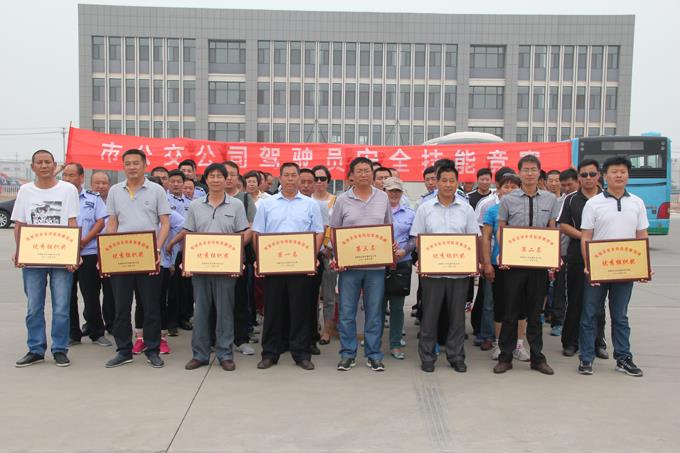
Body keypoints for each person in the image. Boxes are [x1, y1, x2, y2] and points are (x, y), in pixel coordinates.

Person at [578, 156, 649, 377]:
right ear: (605, 175)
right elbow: (586, 237)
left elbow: (641, 235)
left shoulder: (637, 202)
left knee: (620, 316)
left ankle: (623, 358)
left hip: (626, 269)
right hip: (598, 268)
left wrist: (645, 265)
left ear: (628, 175)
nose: (619, 175)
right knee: (590, 314)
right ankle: (586, 358)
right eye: (614, 171)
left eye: (623, 172)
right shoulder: (593, 203)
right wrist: (588, 265)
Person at [178, 163, 251, 371]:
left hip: (226, 268)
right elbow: (188, 233)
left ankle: (225, 354)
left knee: (225, 311)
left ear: (227, 179)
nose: (216, 179)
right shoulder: (195, 205)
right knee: (201, 311)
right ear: (206, 179)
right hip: (200, 267)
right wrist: (186, 261)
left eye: (220, 176)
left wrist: (236, 257)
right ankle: (200, 354)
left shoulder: (236, 205)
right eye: (212, 176)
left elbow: (243, 233)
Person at [252, 162, 324, 371]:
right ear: (280, 178)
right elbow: (257, 232)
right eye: (287, 175)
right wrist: (260, 258)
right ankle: (270, 353)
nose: (290, 179)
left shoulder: (310, 204)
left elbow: (318, 231)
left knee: (300, 310)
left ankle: (301, 353)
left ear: (299, 178)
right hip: (273, 265)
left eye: (294, 175)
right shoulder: (267, 204)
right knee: (273, 310)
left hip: (300, 265)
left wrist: (312, 256)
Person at [12, 150, 80, 368]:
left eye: (47, 162)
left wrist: (74, 254)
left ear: (54, 165)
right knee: (34, 307)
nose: (44, 165)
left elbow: (72, 223)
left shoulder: (68, 190)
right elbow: (20, 224)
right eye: (39, 162)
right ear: (33, 167)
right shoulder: (25, 191)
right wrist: (19, 251)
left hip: (61, 257)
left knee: (61, 307)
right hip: (33, 259)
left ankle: (60, 349)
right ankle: (36, 349)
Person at [104, 149, 171, 369]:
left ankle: (152, 350)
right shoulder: (115, 191)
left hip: (148, 256)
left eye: (136, 163)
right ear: (123, 166)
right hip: (121, 256)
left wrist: (157, 250)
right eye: (128, 163)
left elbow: (165, 223)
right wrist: (107, 253)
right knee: (121, 307)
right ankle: (124, 350)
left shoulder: (156, 190)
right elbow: (112, 223)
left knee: (150, 306)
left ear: (144, 165)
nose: (132, 167)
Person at [493, 155, 560, 375]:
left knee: (535, 313)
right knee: (510, 311)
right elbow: (501, 229)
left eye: (533, 170)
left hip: (539, 265)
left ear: (539, 172)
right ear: (519, 172)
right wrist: (503, 254)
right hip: (514, 265)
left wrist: (553, 256)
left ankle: (537, 358)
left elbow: (552, 228)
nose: (529, 174)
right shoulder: (508, 199)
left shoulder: (550, 199)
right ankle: (505, 357)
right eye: (526, 170)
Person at [410, 165, 480, 372]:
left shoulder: (466, 209)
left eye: (452, 180)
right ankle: (427, 357)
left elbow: (473, 238)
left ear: (457, 183)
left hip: (459, 273)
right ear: (437, 182)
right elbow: (418, 239)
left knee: (457, 317)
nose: (448, 185)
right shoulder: (425, 208)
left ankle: (456, 356)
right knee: (429, 316)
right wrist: (423, 259)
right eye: (444, 180)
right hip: (432, 273)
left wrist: (474, 262)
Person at [331, 157, 393, 372]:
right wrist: (339, 257)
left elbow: (388, 226)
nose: (364, 174)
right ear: (351, 175)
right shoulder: (342, 200)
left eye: (367, 170)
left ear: (372, 174)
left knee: (374, 312)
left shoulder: (383, 198)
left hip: (376, 268)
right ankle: (348, 354)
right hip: (349, 268)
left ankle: (374, 354)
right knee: (347, 312)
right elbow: (335, 231)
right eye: (359, 171)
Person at [558, 160, 608, 359]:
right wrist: (584, 237)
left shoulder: (607, 198)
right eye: (584, 175)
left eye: (592, 174)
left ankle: (598, 342)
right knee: (575, 300)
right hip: (576, 257)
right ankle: (570, 342)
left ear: (599, 175)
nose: (588, 178)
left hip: (602, 257)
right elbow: (563, 225)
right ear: (579, 177)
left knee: (599, 303)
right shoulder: (571, 199)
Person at [132, 176, 184, 355]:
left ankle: (161, 339)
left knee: (159, 301)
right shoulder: (132, 208)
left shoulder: (166, 211)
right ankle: (140, 338)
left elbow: (184, 227)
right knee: (140, 302)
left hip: (161, 262)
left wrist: (170, 245)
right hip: (137, 261)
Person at [61, 163, 111, 347]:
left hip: (89, 252)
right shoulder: (58, 197)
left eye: (71, 175)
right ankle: (73, 334)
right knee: (67, 296)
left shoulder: (93, 198)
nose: (67, 179)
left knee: (91, 295)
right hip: (64, 253)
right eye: (65, 175)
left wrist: (83, 241)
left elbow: (101, 222)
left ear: (81, 177)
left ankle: (97, 332)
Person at [481, 173, 528, 360]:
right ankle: (500, 344)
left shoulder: (525, 209)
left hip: (521, 262)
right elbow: (486, 238)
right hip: (498, 263)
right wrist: (486, 263)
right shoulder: (492, 211)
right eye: (505, 187)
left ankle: (519, 344)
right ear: (498, 190)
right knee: (500, 304)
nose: (509, 190)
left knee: (521, 305)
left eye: (514, 187)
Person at [223, 161, 258, 355]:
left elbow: (251, 227)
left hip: (238, 258)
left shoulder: (245, 199)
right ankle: (214, 338)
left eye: (232, 174)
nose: (228, 178)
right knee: (215, 302)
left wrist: (235, 247)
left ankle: (241, 339)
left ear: (238, 178)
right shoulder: (208, 198)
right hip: (214, 259)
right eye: (225, 174)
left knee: (239, 299)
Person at [382, 177, 415, 360]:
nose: (394, 194)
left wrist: (404, 250)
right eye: (391, 191)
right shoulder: (376, 212)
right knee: (376, 306)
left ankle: (395, 344)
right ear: (384, 192)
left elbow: (414, 238)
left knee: (397, 306)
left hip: (402, 263)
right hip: (379, 263)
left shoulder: (410, 214)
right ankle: (374, 343)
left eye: (397, 191)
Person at [547, 168, 579, 337]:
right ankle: (558, 321)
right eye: (564, 185)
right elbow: (552, 225)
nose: (566, 188)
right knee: (560, 290)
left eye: (570, 185)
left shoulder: (586, 202)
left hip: (580, 252)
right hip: (561, 251)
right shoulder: (558, 202)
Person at [311, 165, 338, 344]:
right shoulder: (307, 201)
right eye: (316, 179)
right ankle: (313, 328)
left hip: (329, 254)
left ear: (328, 181)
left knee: (329, 296)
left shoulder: (336, 201)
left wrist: (329, 248)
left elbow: (338, 226)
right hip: (310, 253)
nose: (319, 182)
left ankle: (327, 330)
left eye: (323, 179)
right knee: (311, 295)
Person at [90, 171, 115, 333]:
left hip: (111, 253)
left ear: (109, 185)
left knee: (110, 291)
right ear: (91, 185)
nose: (100, 186)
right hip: (91, 252)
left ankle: (111, 323)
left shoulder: (115, 201)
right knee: (91, 292)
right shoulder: (87, 201)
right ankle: (93, 324)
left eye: (104, 183)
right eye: (97, 183)